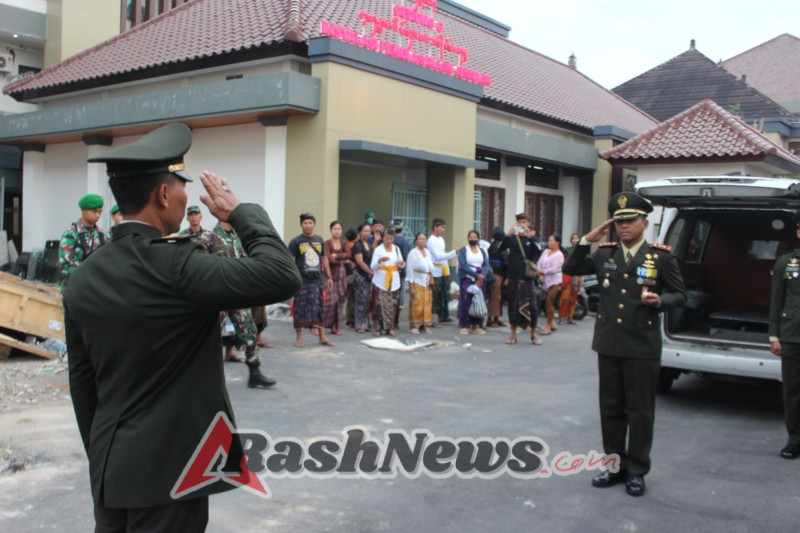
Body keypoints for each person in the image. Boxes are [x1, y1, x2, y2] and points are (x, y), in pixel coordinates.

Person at [64, 123, 301, 531]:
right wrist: (241, 213)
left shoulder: (84, 276)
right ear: (163, 194)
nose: (185, 197)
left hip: (111, 472)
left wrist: (106, 457)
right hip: (172, 474)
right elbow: (282, 275)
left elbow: (83, 387)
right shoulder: (178, 266)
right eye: (181, 186)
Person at [563, 192, 686, 497]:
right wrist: (587, 240)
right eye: (619, 222)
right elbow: (571, 267)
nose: (624, 227)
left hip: (642, 346)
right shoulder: (604, 254)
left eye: (630, 221)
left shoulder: (661, 257)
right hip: (609, 343)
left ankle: (637, 470)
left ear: (645, 223)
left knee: (640, 411)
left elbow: (680, 295)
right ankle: (615, 466)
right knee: (610, 409)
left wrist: (660, 301)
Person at [768, 213, 800, 460]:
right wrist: (773, 336)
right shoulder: (786, 263)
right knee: (793, 391)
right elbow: (776, 301)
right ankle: (795, 440)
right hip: (792, 336)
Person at [288, 213, 336, 348]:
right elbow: (291, 262)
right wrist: (292, 279)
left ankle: (322, 337)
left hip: (317, 280)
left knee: (319, 308)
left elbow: (324, 259)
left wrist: (329, 277)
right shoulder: (295, 241)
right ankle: (299, 338)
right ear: (301, 225)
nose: (308, 225)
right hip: (301, 281)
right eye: (305, 223)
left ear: (315, 224)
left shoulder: (319, 240)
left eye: (310, 223)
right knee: (299, 309)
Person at [499, 213, 543, 345]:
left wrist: (531, 238)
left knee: (533, 307)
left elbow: (540, 251)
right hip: (513, 277)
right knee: (512, 306)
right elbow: (501, 249)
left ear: (528, 224)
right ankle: (513, 335)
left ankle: (533, 335)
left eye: (524, 222)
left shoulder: (532, 239)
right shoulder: (512, 238)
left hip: (528, 278)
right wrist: (507, 236)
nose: (521, 224)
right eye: (519, 222)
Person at [58, 193, 107, 292]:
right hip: (75, 289)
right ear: (83, 210)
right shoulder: (71, 235)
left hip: (97, 290)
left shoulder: (103, 235)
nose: (97, 215)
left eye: (100, 212)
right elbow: (64, 266)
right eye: (94, 211)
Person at [370, 227, 405, 336]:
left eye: (391, 238)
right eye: (386, 238)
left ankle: (389, 328)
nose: (389, 241)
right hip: (381, 279)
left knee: (393, 304)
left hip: (394, 279)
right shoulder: (378, 250)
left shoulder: (396, 249)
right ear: (383, 238)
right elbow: (372, 266)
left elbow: (402, 264)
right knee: (380, 305)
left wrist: (401, 263)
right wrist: (379, 260)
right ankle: (378, 328)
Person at [457, 230, 490, 335]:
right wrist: (476, 275)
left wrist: (482, 276)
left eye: (475, 237)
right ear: (468, 238)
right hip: (467, 278)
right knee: (466, 301)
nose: (473, 239)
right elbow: (463, 265)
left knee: (478, 301)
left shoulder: (482, 251)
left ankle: (476, 326)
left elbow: (486, 264)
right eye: (471, 237)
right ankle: (464, 325)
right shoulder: (464, 250)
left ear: (478, 239)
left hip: (480, 280)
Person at [427, 217, 458, 326]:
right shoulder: (431, 240)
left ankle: (442, 316)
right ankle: (430, 318)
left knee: (443, 294)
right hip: (434, 270)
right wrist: (454, 252)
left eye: (444, 227)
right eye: (441, 227)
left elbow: (444, 257)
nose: (443, 229)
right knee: (434, 295)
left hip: (442, 270)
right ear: (435, 227)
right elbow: (438, 256)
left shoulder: (441, 239)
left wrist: (447, 271)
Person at [324, 220, 351, 336]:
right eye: (334, 229)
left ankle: (335, 327)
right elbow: (328, 258)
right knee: (328, 302)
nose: (337, 231)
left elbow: (349, 255)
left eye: (339, 229)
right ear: (331, 230)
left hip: (342, 276)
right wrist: (342, 260)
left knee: (340, 302)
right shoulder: (327, 243)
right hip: (330, 276)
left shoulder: (344, 243)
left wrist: (337, 256)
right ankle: (321, 326)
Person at [406, 232, 435, 333]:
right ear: (416, 241)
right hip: (417, 281)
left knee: (426, 304)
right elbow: (410, 270)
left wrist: (432, 277)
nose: (422, 241)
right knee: (416, 304)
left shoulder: (428, 252)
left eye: (424, 239)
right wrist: (411, 286)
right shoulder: (413, 253)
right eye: (420, 239)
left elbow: (430, 266)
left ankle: (423, 325)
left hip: (427, 281)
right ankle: (413, 325)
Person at [537, 234, 565, 335]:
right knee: (543, 302)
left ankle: (548, 326)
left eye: (551, 241)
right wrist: (540, 274)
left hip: (554, 281)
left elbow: (554, 269)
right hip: (544, 280)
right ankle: (552, 322)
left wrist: (543, 272)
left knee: (549, 302)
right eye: (548, 240)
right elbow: (539, 263)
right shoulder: (546, 252)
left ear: (557, 243)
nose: (549, 243)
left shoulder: (559, 255)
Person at [352, 223, 374, 333]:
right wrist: (370, 272)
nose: (366, 233)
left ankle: (366, 323)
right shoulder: (357, 245)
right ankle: (359, 325)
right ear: (360, 232)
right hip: (360, 275)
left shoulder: (369, 245)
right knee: (360, 300)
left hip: (368, 276)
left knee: (367, 300)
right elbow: (360, 262)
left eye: (368, 231)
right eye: (364, 231)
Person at [486, 227, 508, 327]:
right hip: (498, 274)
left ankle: (495, 318)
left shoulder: (491, 245)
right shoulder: (501, 246)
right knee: (496, 297)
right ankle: (492, 319)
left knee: (494, 296)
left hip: (492, 273)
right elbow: (506, 260)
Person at [559, 233, 582, 325]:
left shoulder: (582, 250)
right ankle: (561, 317)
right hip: (568, 275)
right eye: (573, 238)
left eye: (577, 238)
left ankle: (570, 317)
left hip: (578, 275)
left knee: (574, 297)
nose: (575, 240)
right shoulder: (567, 250)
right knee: (565, 297)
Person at [392, 219, 410, 329]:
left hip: (390, 272)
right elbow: (406, 258)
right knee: (400, 298)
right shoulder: (405, 241)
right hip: (401, 272)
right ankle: (396, 321)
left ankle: (389, 319)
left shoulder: (390, 240)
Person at [344, 227, 358, 328]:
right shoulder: (353, 246)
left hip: (345, 272)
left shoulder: (344, 244)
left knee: (349, 297)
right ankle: (350, 318)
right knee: (352, 297)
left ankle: (349, 318)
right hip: (351, 273)